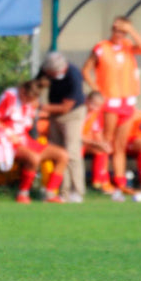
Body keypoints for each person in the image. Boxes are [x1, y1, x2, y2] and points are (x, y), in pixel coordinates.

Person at [82, 16, 141, 198]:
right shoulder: (102, 48)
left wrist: (132, 31)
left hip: (127, 101)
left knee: (120, 144)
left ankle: (120, 181)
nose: (119, 34)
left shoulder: (128, 46)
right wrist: (96, 89)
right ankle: (101, 179)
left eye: (123, 31)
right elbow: (86, 69)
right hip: (110, 101)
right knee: (107, 140)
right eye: (117, 30)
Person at [0, 80, 70, 203]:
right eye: (27, 98)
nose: (28, 101)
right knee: (34, 158)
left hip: (25, 140)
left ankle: (50, 193)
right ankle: (23, 193)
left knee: (63, 155)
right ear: (22, 91)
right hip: (9, 142)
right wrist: (9, 133)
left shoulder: (31, 103)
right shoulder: (9, 96)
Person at [37, 51, 87, 203]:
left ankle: (77, 191)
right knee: (58, 154)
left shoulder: (73, 75)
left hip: (72, 114)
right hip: (54, 115)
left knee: (72, 152)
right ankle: (62, 192)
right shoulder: (46, 70)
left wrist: (41, 108)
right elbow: (36, 86)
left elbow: (66, 107)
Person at [81, 91, 114, 192]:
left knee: (102, 150)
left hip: (86, 142)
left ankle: (98, 183)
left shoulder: (95, 114)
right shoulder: (80, 111)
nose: (94, 108)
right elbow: (77, 137)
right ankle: (77, 184)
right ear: (87, 100)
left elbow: (97, 133)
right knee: (77, 152)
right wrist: (97, 143)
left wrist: (103, 145)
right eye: (93, 104)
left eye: (98, 106)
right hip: (76, 142)